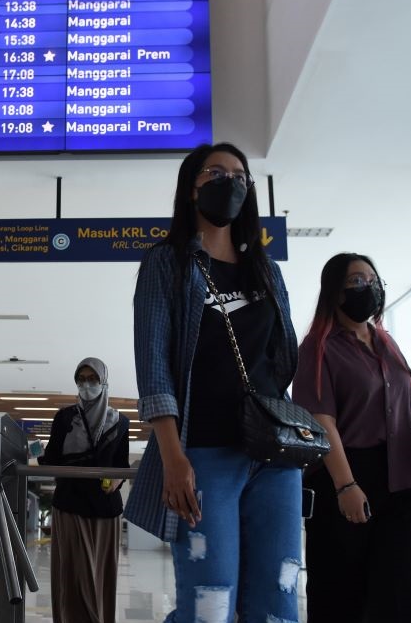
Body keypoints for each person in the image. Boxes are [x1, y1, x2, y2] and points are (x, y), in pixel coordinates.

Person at [125, 143, 302, 623]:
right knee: (210, 601)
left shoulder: (265, 270)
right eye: (217, 172)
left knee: (279, 600)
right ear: (191, 188)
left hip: (274, 455)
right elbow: (154, 363)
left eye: (241, 176)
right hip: (203, 453)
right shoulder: (167, 262)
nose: (231, 182)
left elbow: (284, 355)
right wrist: (172, 457)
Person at [292, 253, 411, 623]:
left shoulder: (385, 342)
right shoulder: (319, 346)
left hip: (404, 478)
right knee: (343, 593)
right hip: (349, 475)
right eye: (357, 281)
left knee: (400, 590)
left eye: (374, 281)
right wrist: (346, 486)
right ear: (334, 292)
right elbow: (320, 419)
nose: (369, 288)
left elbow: (407, 408)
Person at [38, 357, 130, 623]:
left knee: (101, 578)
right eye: (82, 379)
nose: (86, 385)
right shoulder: (65, 417)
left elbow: (122, 465)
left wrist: (118, 480)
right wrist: (38, 455)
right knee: (73, 578)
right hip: (70, 506)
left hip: (106, 509)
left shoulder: (120, 423)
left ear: (104, 382)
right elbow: (52, 460)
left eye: (93, 379)